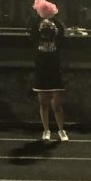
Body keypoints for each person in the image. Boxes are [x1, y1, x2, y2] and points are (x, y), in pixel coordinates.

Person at [30, 13, 68, 142]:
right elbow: (32, 28)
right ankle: (46, 130)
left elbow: (62, 30)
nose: (47, 29)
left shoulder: (58, 41)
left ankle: (61, 129)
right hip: (41, 74)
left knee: (57, 104)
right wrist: (41, 15)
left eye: (49, 27)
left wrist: (52, 16)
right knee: (43, 103)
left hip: (54, 74)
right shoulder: (36, 40)